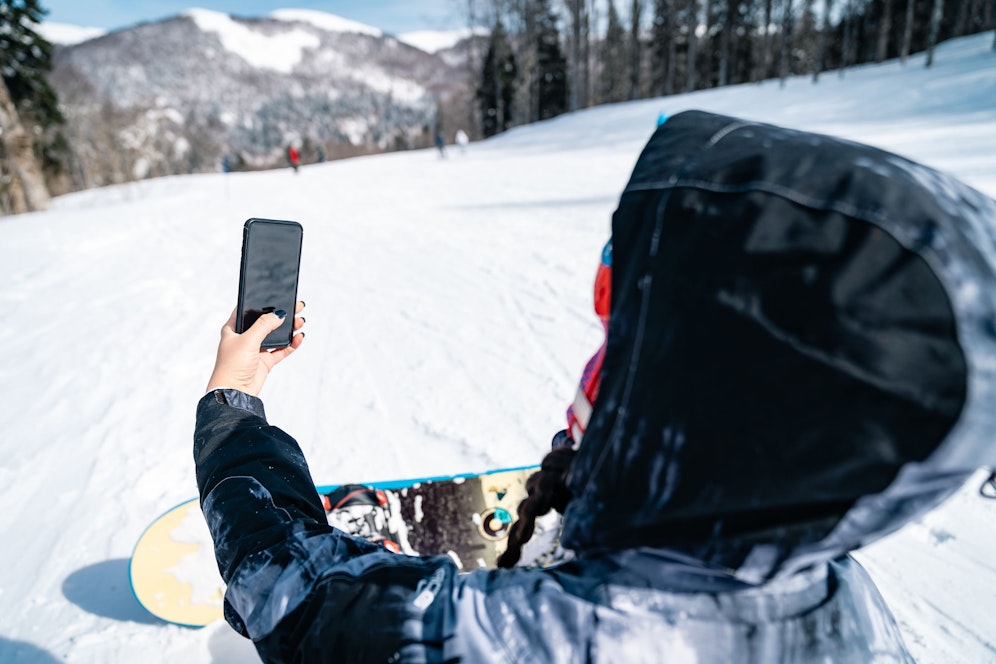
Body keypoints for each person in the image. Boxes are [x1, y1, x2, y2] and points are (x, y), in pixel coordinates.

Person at [195, 110, 996, 662]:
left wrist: (235, 409)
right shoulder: (832, 581)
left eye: (625, 338)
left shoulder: (562, 642)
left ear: (713, 399)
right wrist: (605, 480)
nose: (595, 369)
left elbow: (296, 602)